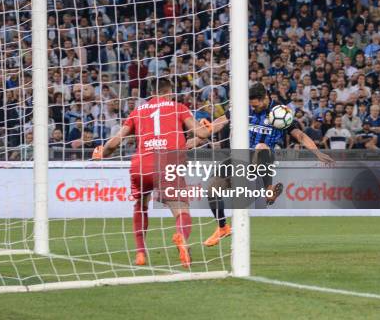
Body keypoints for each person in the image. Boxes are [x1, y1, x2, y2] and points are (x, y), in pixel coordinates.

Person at [92, 78, 219, 267]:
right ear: (169, 92)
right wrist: (207, 128)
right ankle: (181, 238)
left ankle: (141, 254)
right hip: (167, 163)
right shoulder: (178, 107)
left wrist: (103, 152)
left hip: (141, 164)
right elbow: (201, 134)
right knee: (181, 210)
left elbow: (116, 141)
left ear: (153, 92)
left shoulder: (138, 111)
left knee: (140, 205)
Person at [198, 83, 334, 247]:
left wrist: (317, 153)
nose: (253, 108)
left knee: (261, 147)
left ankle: (268, 189)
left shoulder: (280, 113)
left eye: (256, 105)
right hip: (239, 157)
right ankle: (222, 228)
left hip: (263, 159)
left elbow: (299, 135)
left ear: (265, 98)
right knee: (213, 189)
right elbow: (220, 122)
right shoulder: (243, 108)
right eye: (251, 105)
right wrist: (205, 131)